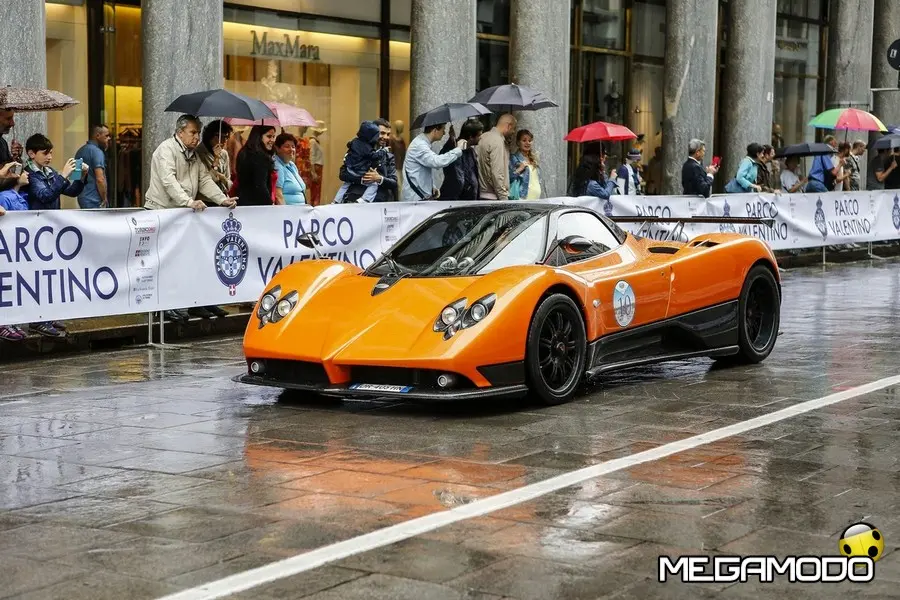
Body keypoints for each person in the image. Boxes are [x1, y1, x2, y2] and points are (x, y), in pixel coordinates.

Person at [144, 114, 238, 322]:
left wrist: (222, 199)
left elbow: (204, 180)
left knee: (182, 260)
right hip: (162, 211)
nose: (197, 137)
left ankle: (183, 303)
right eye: (192, 132)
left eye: (198, 133)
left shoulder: (193, 154)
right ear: (180, 132)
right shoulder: (166, 150)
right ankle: (163, 306)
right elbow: (168, 181)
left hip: (181, 213)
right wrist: (188, 201)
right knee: (165, 261)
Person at [0, 168, 66, 339]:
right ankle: (6, 322)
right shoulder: (5, 197)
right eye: (22, 172)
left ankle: (17, 319)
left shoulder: (22, 196)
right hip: (11, 250)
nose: (27, 174)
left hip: (21, 250)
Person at [336, 119, 397, 203]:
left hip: (379, 202)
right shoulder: (358, 149)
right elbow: (343, 174)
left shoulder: (389, 156)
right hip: (355, 199)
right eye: (382, 133)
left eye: (388, 134)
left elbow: (394, 182)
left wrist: (379, 178)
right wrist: (363, 178)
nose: (386, 137)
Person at [401, 122, 465, 202]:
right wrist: (458, 149)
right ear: (435, 130)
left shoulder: (423, 143)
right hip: (415, 199)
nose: (444, 133)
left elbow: (422, 170)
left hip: (419, 197)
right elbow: (437, 162)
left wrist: (432, 187)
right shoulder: (420, 145)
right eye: (443, 129)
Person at [23, 133, 87, 211]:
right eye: (45, 153)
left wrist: (81, 175)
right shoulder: (28, 174)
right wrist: (63, 175)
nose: (49, 157)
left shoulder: (50, 171)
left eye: (50, 153)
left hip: (53, 217)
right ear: (31, 154)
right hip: (38, 217)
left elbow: (72, 192)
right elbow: (45, 196)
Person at [440, 119, 482, 200]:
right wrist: (450, 142)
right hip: (456, 199)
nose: (481, 138)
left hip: (470, 199)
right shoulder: (453, 149)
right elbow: (455, 178)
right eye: (479, 135)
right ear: (471, 136)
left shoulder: (471, 151)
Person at [476, 113, 517, 200]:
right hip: (493, 196)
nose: (513, 132)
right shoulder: (498, 141)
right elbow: (497, 173)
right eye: (514, 128)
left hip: (480, 193)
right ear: (509, 126)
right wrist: (504, 198)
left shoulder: (483, 136)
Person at [235, 125, 277, 206]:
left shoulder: (244, 152)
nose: (272, 140)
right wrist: (270, 204)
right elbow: (260, 185)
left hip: (243, 202)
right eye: (269, 136)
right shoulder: (260, 156)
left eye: (273, 137)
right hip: (258, 206)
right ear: (258, 137)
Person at [73, 124, 111, 208]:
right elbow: (100, 179)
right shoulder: (97, 152)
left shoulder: (80, 151)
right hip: (95, 199)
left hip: (82, 198)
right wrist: (104, 199)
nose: (109, 138)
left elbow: (76, 176)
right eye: (106, 135)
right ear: (98, 135)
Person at [196, 120, 233, 199]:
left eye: (226, 137)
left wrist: (223, 178)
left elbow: (228, 181)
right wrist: (216, 159)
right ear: (210, 136)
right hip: (206, 199)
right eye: (221, 137)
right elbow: (206, 180)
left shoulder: (224, 153)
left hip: (223, 196)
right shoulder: (198, 153)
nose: (224, 141)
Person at [509, 129, 544, 200]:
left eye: (530, 141)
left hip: (536, 197)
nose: (527, 143)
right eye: (524, 140)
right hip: (523, 197)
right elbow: (508, 178)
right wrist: (519, 169)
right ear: (518, 142)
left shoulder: (533, 158)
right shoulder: (514, 158)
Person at [273, 133, 307, 205]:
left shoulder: (292, 165)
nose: (291, 149)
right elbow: (278, 195)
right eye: (287, 146)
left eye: (293, 147)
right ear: (277, 148)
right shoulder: (277, 165)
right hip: (289, 211)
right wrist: (285, 211)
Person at [0, 108, 23, 191]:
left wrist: (16, 158)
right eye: (8, 119)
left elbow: (14, 174)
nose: (13, 123)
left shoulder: (2, 143)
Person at [307, 121, 326, 206]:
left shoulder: (315, 141)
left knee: (317, 190)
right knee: (315, 191)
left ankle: (315, 205)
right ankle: (314, 206)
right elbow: (311, 156)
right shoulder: (313, 141)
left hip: (318, 167)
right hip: (316, 167)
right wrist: (313, 171)